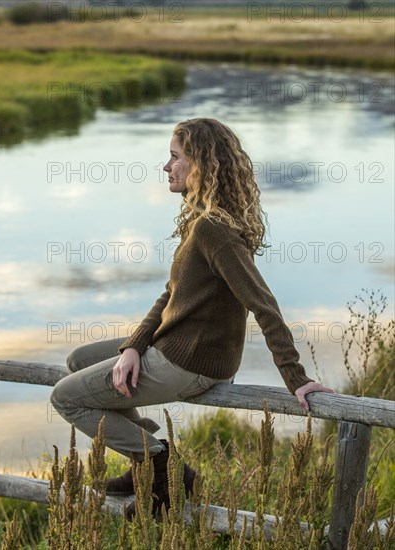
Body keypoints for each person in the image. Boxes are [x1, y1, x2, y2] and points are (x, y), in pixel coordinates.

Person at [49, 117, 334, 520]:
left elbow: (263, 303)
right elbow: (170, 295)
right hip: (179, 349)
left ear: (199, 164)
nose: (167, 167)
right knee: (80, 359)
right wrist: (133, 347)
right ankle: (143, 465)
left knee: (65, 397)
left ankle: (163, 467)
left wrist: (296, 378)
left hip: (191, 363)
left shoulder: (213, 230)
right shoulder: (200, 223)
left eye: (175, 157)